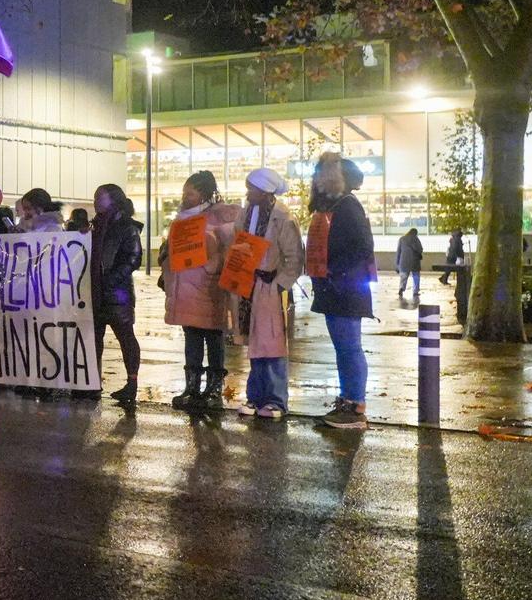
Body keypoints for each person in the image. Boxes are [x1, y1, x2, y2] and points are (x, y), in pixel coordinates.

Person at [160, 169, 240, 411]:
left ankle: (214, 387)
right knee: (192, 338)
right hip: (185, 289)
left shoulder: (219, 219)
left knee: (213, 338)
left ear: (204, 193)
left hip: (209, 289)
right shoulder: (182, 219)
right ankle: (192, 387)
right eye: (185, 192)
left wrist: (212, 265)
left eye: (190, 193)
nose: (185, 197)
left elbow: (230, 250)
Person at [230, 168, 305, 419]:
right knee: (254, 343)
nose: (248, 192)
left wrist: (280, 285)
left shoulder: (282, 217)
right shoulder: (246, 213)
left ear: (264, 190)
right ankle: (255, 396)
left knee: (271, 343)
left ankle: (276, 400)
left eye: (251, 188)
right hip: (247, 285)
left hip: (268, 287)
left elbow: (294, 256)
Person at [308, 153, 375, 430]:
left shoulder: (346, 207)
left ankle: (354, 406)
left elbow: (362, 246)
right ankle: (349, 401)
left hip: (344, 291)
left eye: (320, 173)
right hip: (336, 289)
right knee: (344, 348)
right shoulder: (336, 207)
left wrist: (337, 273)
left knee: (348, 348)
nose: (316, 179)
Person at [89, 184, 144, 407]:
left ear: (113, 199)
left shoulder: (126, 227)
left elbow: (133, 257)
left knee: (125, 337)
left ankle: (131, 381)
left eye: (98, 197)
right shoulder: (95, 227)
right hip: (95, 292)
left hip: (116, 293)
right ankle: (92, 381)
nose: (95, 201)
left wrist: (111, 279)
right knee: (93, 338)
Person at [395, 227, 423, 304]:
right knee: (416, 276)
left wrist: (397, 263)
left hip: (404, 260)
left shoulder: (402, 239)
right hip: (414, 260)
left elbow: (398, 251)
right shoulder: (416, 239)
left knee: (404, 276)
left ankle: (401, 288)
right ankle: (415, 291)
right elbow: (420, 249)